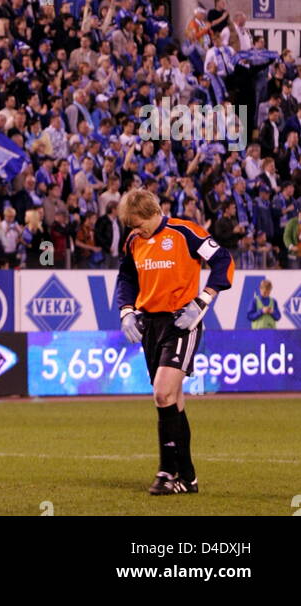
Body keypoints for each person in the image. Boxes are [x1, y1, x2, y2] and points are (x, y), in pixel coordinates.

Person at [117, 187, 233, 495]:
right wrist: (126, 311)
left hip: (182, 322)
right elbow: (126, 277)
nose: (134, 229)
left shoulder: (185, 232)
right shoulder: (133, 242)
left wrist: (203, 300)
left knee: (162, 393)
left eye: (137, 222)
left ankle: (167, 472)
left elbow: (223, 260)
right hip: (150, 325)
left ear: (153, 213)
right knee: (171, 400)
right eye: (130, 225)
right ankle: (186, 476)